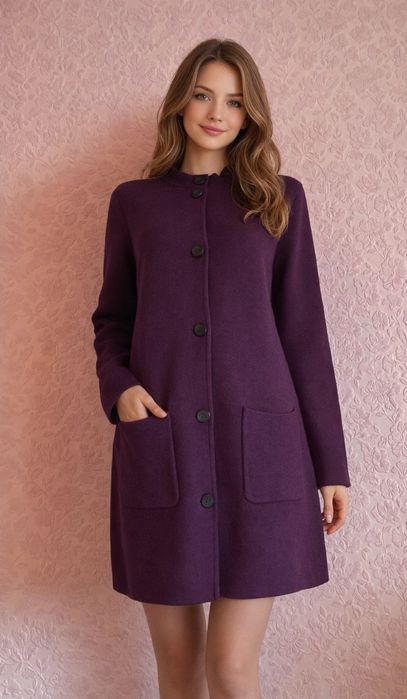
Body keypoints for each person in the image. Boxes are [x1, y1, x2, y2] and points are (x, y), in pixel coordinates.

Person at [91, 37, 351, 699]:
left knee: (232, 669)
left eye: (234, 101)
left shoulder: (279, 200)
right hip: (164, 447)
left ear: (250, 113)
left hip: (259, 455)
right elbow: (112, 318)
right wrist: (120, 388)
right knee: (180, 672)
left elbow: (305, 336)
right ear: (180, 102)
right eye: (203, 95)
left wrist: (331, 465)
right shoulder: (133, 203)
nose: (216, 112)